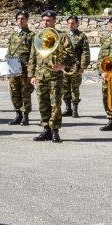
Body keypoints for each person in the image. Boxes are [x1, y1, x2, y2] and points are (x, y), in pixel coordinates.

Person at [28, 9, 74, 143]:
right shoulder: (37, 37)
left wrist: (63, 66)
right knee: (43, 104)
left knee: (55, 105)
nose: (45, 22)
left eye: (48, 20)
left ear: (54, 21)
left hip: (55, 76)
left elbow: (72, 55)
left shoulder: (62, 36)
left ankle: (55, 131)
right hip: (40, 76)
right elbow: (32, 57)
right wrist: (32, 75)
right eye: (43, 20)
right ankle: (46, 129)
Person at [6, 10, 34, 125]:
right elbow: (9, 51)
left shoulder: (31, 35)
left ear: (27, 20)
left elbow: (33, 54)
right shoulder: (14, 34)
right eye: (18, 19)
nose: (20, 21)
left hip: (25, 69)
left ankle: (25, 116)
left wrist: (31, 72)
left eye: (23, 19)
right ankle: (18, 114)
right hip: (13, 69)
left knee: (25, 93)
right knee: (14, 92)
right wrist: (5, 63)